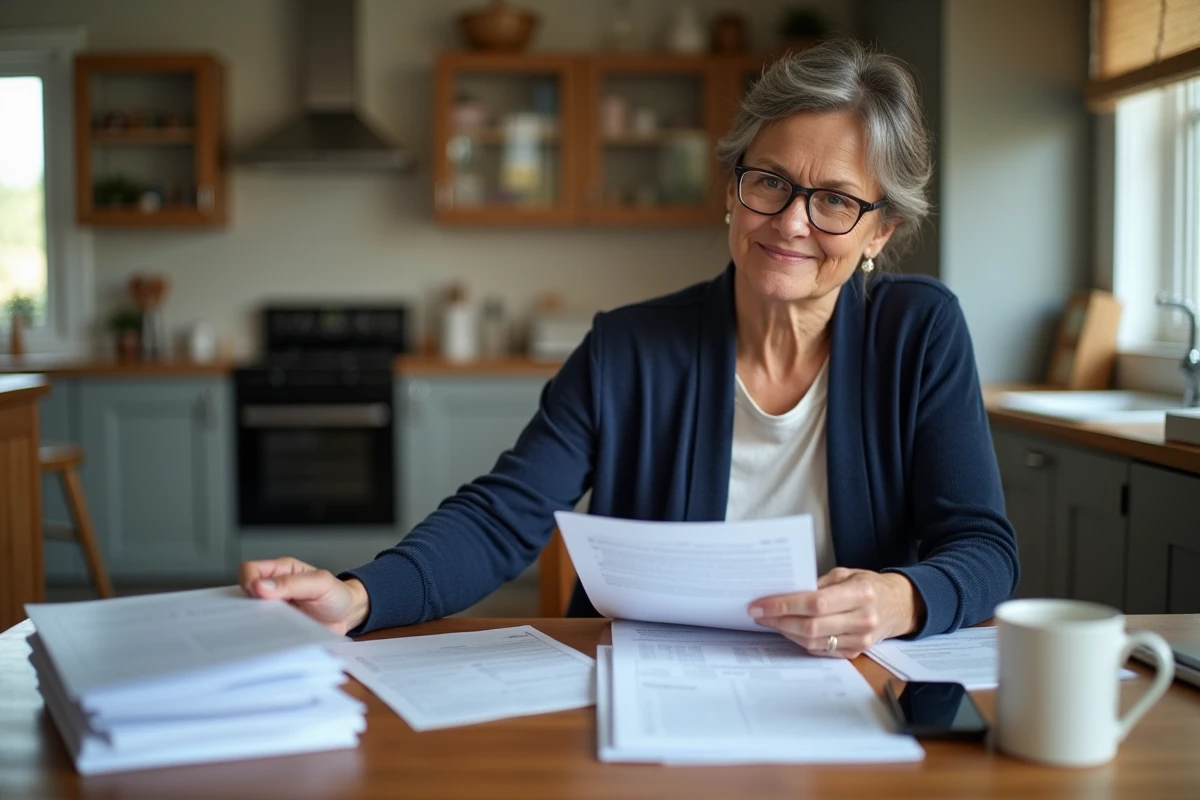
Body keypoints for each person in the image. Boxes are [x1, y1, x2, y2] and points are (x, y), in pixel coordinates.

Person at [240, 39, 1018, 659]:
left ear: (881, 231)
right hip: (647, 676)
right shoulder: (628, 346)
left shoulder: (920, 331)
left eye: (836, 201)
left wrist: (898, 599)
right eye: (770, 183)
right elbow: (503, 516)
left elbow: (981, 547)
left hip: (850, 679)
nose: (790, 223)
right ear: (730, 191)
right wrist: (361, 594)